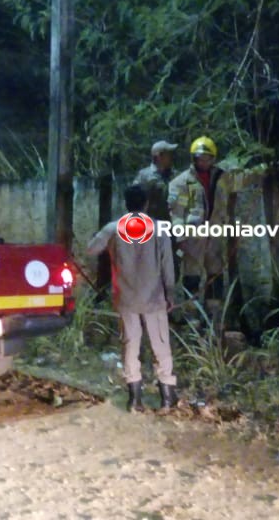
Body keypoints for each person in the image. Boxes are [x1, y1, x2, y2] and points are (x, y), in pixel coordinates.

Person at [86, 184, 178, 413]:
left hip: (126, 298)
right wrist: (171, 292)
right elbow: (168, 265)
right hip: (154, 298)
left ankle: (134, 400)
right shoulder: (158, 229)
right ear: (146, 204)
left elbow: (90, 249)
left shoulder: (113, 228)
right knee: (160, 344)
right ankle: (167, 398)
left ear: (126, 204)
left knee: (130, 344)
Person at [167, 136, 226, 303]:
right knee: (192, 276)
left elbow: (242, 180)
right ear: (194, 158)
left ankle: (213, 316)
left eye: (207, 158)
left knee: (216, 275)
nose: (204, 162)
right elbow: (176, 213)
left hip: (215, 235)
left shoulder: (222, 178)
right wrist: (180, 237)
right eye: (200, 158)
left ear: (213, 158)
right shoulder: (180, 183)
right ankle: (192, 316)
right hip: (192, 237)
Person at [133, 140, 178, 222]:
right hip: (151, 224)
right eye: (168, 154)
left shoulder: (175, 175)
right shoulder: (144, 176)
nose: (172, 156)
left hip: (172, 224)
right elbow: (135, 201)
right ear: (159, 157)